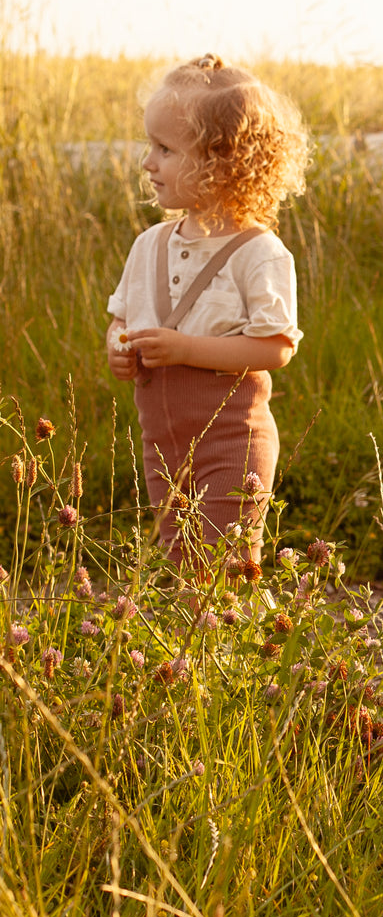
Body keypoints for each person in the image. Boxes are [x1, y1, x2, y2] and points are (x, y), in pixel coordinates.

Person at [106, 54, 309, 564]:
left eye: (166, 149)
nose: (148, 162)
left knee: (226, 568)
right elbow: (123, 318)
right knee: (185, 567)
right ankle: (198, 648)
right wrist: (118, 346)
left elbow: (276, 347)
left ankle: (251, 644)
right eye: (149, 145)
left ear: (222, 161)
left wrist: (185, 349)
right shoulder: (148, 245)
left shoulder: (258, 252)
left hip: (231, 441)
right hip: (162, 440)